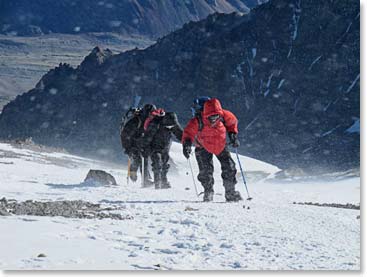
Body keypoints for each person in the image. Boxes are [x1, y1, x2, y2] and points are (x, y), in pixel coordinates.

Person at [182, 97, 242, 202]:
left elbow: (232, 123)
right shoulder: (200, 120)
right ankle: (215, 192)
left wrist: (233, 135)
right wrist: (186, 144)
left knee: (224, 168)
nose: (213, 118)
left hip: (213, 145)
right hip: (207, 145)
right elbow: (188, 133)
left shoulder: (221, 115)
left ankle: (226, 192)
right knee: (212, 170)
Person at [139, 107, 183, 189]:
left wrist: (185, 141)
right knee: (157, 163)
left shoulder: (172, 123)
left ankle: (164, 181)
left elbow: (179, 134)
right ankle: (157, 183)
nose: (170, 128)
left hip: (165, 147)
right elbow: (148, 136)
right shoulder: (155, 124)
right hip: (154, 147)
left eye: (172, 126)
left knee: (165, 164)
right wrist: (144, 147)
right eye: (169, 126)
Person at [120, 104, 156, 187]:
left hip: (142, 143)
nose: (152, 115)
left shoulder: (151, 121)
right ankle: (144, 179)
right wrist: (127, 148)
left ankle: (145, 178)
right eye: (151, 113)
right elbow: (125, 135)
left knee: (143, 159)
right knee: (140, 159)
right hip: (132, 144)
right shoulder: (136, 121)